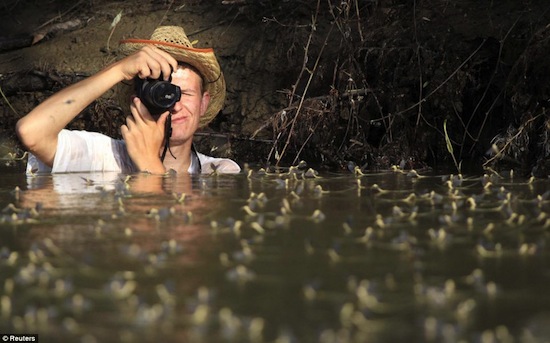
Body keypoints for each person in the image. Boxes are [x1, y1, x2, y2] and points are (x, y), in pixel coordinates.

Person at [16, 26, 241, 175]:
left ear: (203, 104)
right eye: (162, 92)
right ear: (137, 100)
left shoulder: (218, 171)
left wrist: (149, 164)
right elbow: (31, 132)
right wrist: (118, 71)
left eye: (186, 93)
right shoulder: (105, 157)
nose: (174, 104)